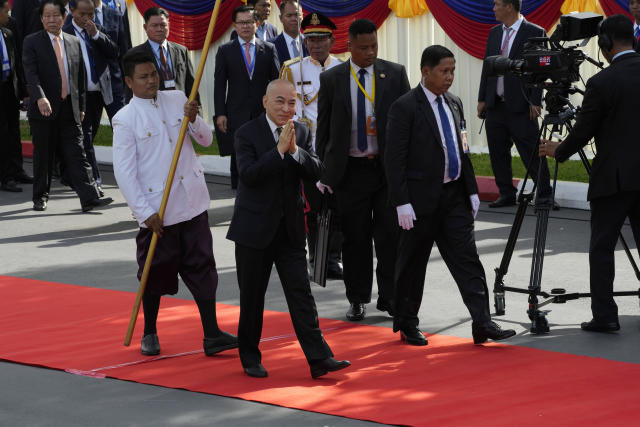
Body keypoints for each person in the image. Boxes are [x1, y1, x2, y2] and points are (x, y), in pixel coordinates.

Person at [385, 45, 516, 346]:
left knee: (468, 259)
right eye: (443, 71)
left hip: (453, 195)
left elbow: (463, 150)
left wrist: (471, 190)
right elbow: (394, 160)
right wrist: (401, 202)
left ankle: (482, 322)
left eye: (452, 71)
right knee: (413, 264)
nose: (449, 77)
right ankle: (407, 322)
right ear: (425, 71)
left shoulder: (454, 103)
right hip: (418, 201)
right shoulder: (405, 107)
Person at [112, 50, 238, 357]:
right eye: (143, 77)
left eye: (153, 74)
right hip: (159, 211)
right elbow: (124, 173)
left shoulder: (178, 98)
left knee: (204, 268)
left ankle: (211, 333)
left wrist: (194, 119)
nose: (151, 81)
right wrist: (144, 212)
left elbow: (206, 140)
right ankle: (150, 331)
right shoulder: (125, 119)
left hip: (191, 203)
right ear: (129, 81)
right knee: (154, 272)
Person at [227, 79, 350, 379]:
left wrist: (295, 152)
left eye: (292, 102)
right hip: (253, 230)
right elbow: (249, 176)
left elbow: (318, 171)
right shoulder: (246, 133)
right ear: (265, 102)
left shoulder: (303, 131)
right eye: (280, 101)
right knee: (252, 297)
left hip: (291, 229)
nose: (286, 108)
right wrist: (278, 152)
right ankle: (250, 356)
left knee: (301, 295)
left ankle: (319, 358)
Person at [539, 15, 640, 333]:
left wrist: (559, 149)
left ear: (606, 44)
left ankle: (606, 315)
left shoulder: (602, 82)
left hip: (614, 178)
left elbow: (584, 131)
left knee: (601, 248)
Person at [316, 19, 410, 321]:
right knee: (355, 239)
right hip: (350, 172)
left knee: (389, 237)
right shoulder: (332, 79)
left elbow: (407, 122)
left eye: (374, 46)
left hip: (385, 172)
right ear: (349, 46)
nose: (370, 52)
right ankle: (357, 298)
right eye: (363, 47)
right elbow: (324, 129)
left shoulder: (394, 74)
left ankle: (390, 297)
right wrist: (324, 170)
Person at [23, 0, 112, 212]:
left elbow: (79, 78)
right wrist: (40, 97)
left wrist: (80, 105)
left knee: (78, 153)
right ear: (42, 18)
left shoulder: (73, 42)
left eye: (56, 15)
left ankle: (89, 198)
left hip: (69, 108)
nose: (52, 20)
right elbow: (31, 73)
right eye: (47, 16)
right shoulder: (32, 41)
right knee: (43, 155)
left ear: (65, 17)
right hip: (44, 108)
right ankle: (40, 196)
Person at [280, 12, 342, 278]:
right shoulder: (293, 68)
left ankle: (334, 258)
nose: (315, 45)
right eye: (310, 40)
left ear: (331, 40)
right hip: (307, 149)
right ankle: (316, 255)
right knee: (312, 207)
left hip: (336, 149)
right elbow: (283, 107)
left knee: (337, 206)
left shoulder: (342, 66)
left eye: (321, 39)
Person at [477, 0, 552, 208]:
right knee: (497, 152)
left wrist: (535, 101)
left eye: (496, 4)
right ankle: (506, 193)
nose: (493, 8)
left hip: (522, 104)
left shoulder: (534, 32)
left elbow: (540, 70)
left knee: (531, 151)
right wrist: (482, 98)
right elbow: (488, 66)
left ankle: (545, 195)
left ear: (509, 6)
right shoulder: (494, 33)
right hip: (495, 104)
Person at [214, 5, 279, 189]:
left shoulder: (269, 48)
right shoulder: (225, 51)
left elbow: (276, 82)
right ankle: (238, 192)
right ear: (235, 25)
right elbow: (219, 85)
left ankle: (266, 188)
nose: (245, 26)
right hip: (236, 112)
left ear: (257, 24)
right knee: (239, 153)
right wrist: (220, 113)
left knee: (265, 149)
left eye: (249, 22)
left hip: (263, 111)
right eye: (241, 23)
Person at [63, 0, 119, 196]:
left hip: (100, 91)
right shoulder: (65, 32)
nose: (87, 19)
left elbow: (114, 52)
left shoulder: (97, 29)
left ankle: (71, 173)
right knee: (85, 138)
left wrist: (96, 34)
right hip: (80, 94)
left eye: (91, 14)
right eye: (83, 14)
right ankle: (95, 181)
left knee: (91, 134)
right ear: (71, 11)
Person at [126, 7, 196, 101]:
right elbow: (130, 91)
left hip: (181, 108)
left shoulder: (182, 51)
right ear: (145, 27)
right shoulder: (134, 55)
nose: (159, 29)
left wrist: (196, 111)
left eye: (163, 25)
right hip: (152, 109)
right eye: (154, 25)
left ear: (169, 25)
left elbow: (191, 86)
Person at [0, 0, 31, 193]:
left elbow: (17, 64)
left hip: (9, 89)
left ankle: (18, 170)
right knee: (2, 133)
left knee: (13, 131)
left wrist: (24, 92)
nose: (9, 15)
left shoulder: (8, 33)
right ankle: (6, 176)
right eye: (6, 11)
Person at [91, 0, 128, 120]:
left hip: (113, 82)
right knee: (87, 131)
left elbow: (124, 49)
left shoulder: (115, 14)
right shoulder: (76, 15)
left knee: (121, 124)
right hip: (89, 84)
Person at [268, 0, 307, 65]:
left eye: (297, 15)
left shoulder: (310, 43)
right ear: (281, 18)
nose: (294, 19)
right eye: (289, 15)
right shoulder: (271, 46)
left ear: (302, 16)